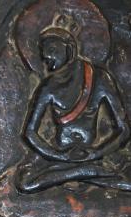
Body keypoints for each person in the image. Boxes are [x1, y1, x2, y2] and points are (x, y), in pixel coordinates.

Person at [15, 13, 131, 193]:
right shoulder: (48, 87)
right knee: (25, 183)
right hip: (60, 157)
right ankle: (87, 173)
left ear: (69, 49)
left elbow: (124, 130)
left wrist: (96, 152)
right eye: (42, 51)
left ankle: (81, 172)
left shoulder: (100, 78)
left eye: (52, 49)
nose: (45, 56)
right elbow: (29, 133)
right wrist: (60, 155)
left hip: (94, 155)